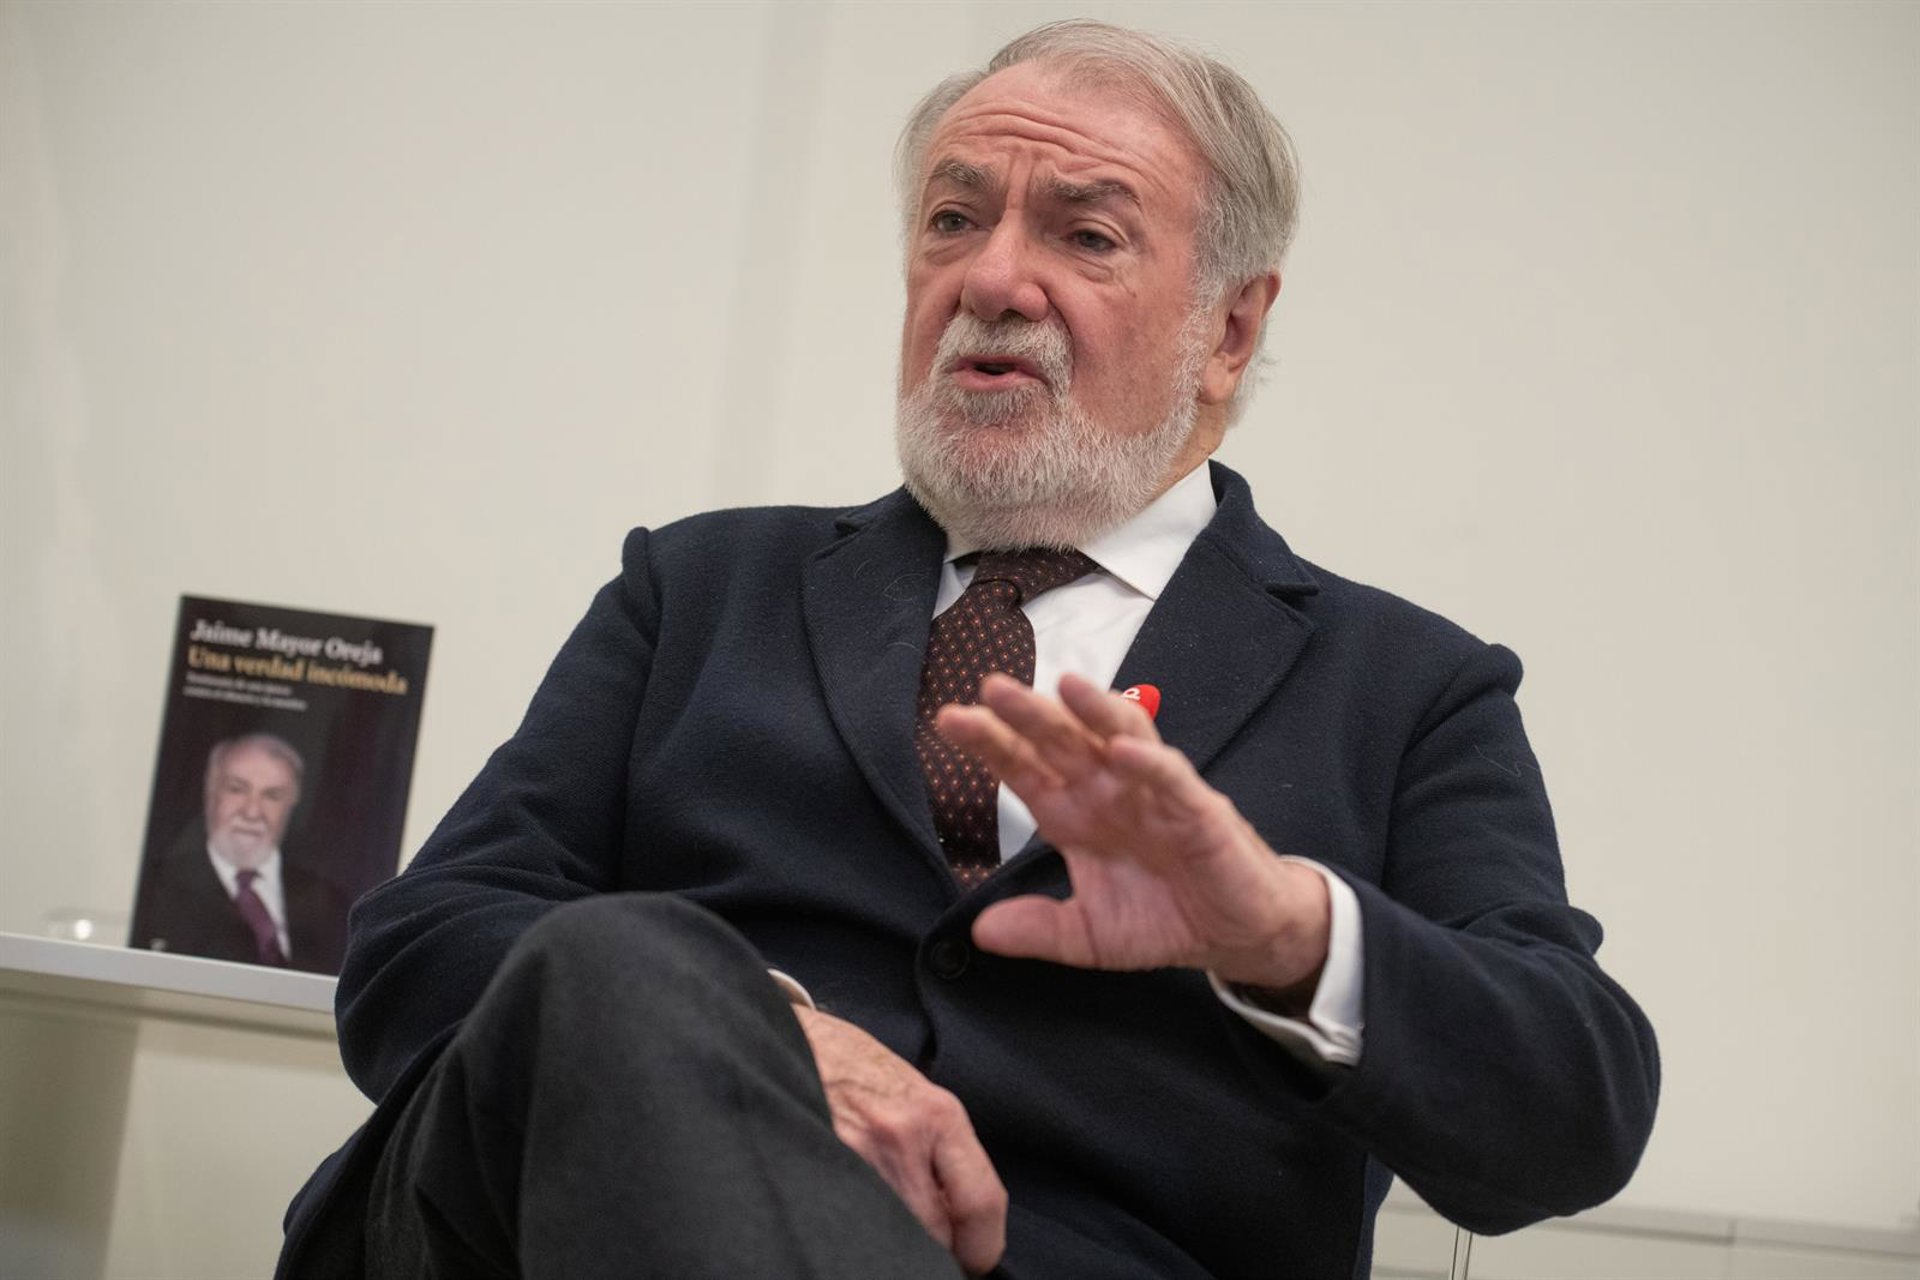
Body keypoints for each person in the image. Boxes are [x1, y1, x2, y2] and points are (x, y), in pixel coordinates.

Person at [277, 20, 1658, 1280]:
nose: (993, 277)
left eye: (1086, 235)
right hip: (607, 1219)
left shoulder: (1407, 689)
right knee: (613, 963)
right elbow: (420, 946)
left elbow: (1574, 1111)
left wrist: (1284, 933)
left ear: (1230, 329)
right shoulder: (697, 589)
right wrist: (745, 1043)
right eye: (953, 219)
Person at [131, 731, 350, 975]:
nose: (252, 812)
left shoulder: (332, 905)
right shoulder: (150, 890)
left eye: (272, 796)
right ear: (210, 791)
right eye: (237, 789)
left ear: (292, 803)